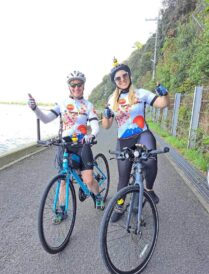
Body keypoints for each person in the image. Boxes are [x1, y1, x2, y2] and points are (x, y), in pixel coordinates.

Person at [28, 70, 105, 223]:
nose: (76, 87)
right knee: (63, 179)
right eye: (73, 84)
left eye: (79, 84)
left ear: (83, 86)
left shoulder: (88, 106)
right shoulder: (62, 104)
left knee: (89, 180)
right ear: (69, 87)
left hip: (82, 145)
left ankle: (98, 195)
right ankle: (62, 210)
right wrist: (35, 108)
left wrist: (91, 135)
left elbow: (95, 126)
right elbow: (45, 119)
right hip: (65, 145)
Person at [102, 58, 170, 222]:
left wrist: (165, 94)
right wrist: (106, 116)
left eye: (125, 75)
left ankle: (149, 188)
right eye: (118, 78)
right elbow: (106, 126)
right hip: (124, 140)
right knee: (123, 180)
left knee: (151, 161)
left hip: (142, 134)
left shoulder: (141, 93)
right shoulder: (112, 100)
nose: (122, 79)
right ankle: (119, 205)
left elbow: (163, 104)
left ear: (129, 75)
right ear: (115, 82)